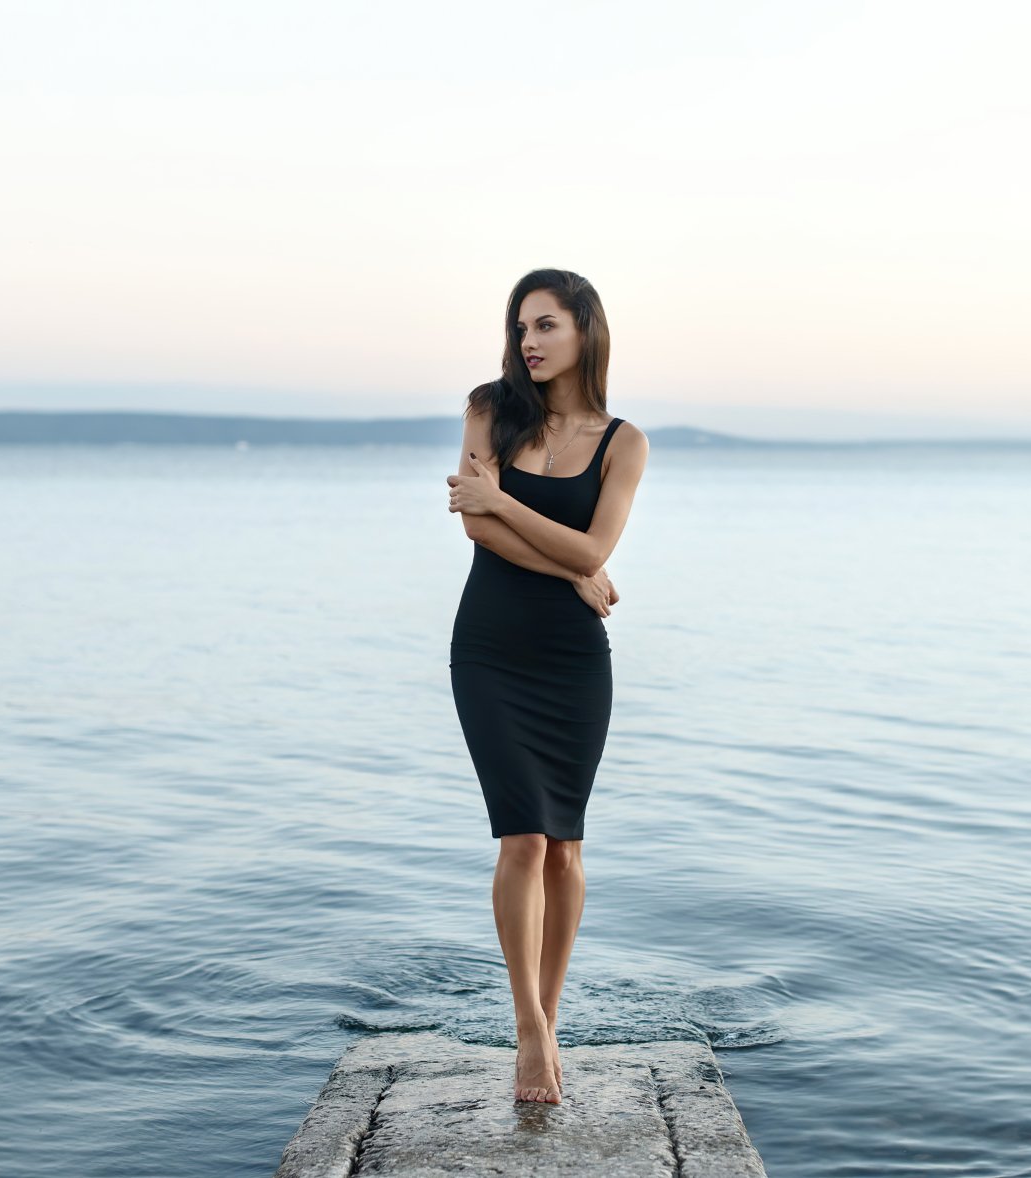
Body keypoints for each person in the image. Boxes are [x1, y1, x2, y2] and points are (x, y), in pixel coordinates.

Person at [445, 268, 649, 1104]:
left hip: (572, 659)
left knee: (565, 843)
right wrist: (567, 563)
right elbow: (473, 522)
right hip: (491, 647)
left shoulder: (623, 441)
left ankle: (551, 1014)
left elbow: (594, 551)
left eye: (547, 325)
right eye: (521, 325)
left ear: (584, 331)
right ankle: (528, 1030)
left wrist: (560, 555)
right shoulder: (489, 409)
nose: (529, 340)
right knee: (521, 836)